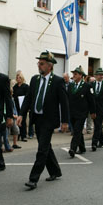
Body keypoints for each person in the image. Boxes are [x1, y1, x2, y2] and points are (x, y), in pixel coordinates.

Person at [17, 51, 69, 189]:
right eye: (38, 63)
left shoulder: (58, 81)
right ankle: (55, 171)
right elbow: (28, 98)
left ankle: (33, 179)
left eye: (42, 63)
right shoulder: (35, 79)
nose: (39, 65)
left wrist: (65, 121)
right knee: (46, 147)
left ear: (49, 66)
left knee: (42, 149)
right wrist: (21, 114)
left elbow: (64, 103)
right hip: (37, 118)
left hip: (49, 120)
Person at [67, 66, 96, 157]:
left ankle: (73, 148)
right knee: (78, 131)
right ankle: (82, 147)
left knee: (77, 130)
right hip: (72, 112)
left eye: (75, 74)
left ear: (81, 75)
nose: (74, 75)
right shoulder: (71, 85)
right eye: (73, 74)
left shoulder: (87, 86)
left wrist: (93, 112)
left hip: (82, 113)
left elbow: (91, 100)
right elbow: (68, 99)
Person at [91, 68, 103, 151]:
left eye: (102, 74)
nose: (101, 76)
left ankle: (94, 143)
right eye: (99, 74)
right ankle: (102, 141)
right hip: (93, 108)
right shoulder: (91, 84)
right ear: (95, 76)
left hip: (101, 108)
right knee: (97, 124)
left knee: (98, 125)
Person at [12, 70, 29, 142]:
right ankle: (18, 135)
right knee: (17, 121)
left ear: (22, 78)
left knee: (23, 121)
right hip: (16, 105)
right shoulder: (15, 87)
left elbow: (28, 96)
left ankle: (23, 135)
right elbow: (13, 95)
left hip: (23, 105)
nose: (18, 79)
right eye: (17, 77)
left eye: (19, 77)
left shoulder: (25, 86)